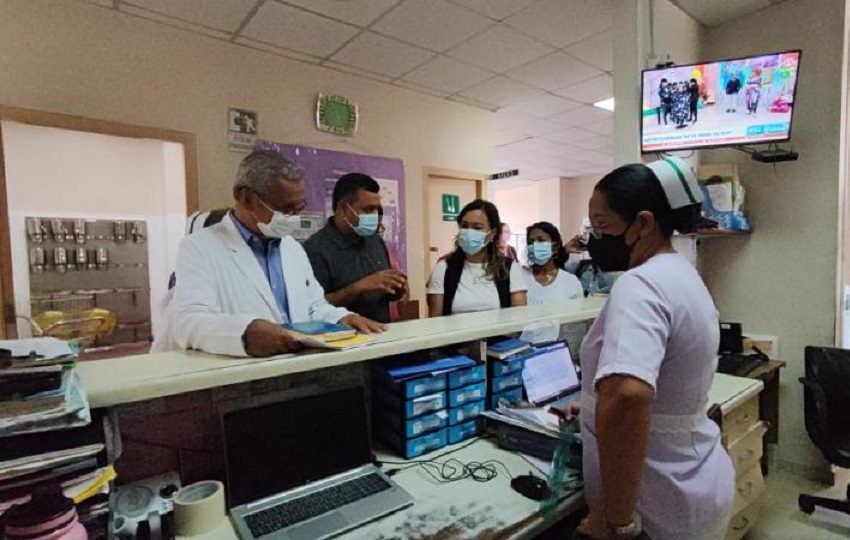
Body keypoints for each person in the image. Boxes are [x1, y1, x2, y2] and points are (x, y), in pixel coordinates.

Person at [562, 157, 734, 540]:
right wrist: (591, 404)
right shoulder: (681, 272)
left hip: (657, 505)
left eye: (601, 226)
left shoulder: (638, 285)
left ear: (643, 223)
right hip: (695, 481)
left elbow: (627, 395)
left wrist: (617, 521)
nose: (594, 239)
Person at [160, 150, 385, 357]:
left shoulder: (292, 249)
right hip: (244, 375)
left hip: (297, 368)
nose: (293, 218)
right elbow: (187, 321)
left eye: (298, 208)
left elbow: (314, 306)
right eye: (285, 209)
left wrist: (341, 318)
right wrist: (244, 332)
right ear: (246, 198)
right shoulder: (200, 247)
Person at [304, 173, 406, 324]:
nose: (375, 216)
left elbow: (383, 290)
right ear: (343, 209)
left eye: (377, 209)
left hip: (381, 333)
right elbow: (312, 308)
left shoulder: (374, 240)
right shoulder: (316, 248)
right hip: (341, 339)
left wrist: (397, 287)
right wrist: (357, 289)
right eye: (368, 209)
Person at [427, 200, 527, 316]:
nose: (469, 232)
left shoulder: (508, 268)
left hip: (497, 334)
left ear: (492, 233)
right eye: (464, 226)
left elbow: (518, 319)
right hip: (457, 334)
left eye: (477, 227)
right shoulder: (444, 268)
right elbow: (436, 320)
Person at [523, 221, 583, 305]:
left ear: (555, 246)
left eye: (541, 240)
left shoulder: (570, 282)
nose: (535, 245)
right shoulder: (521, 276)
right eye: (530, 242)